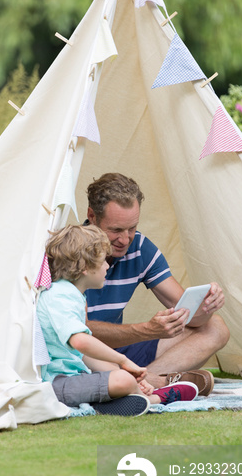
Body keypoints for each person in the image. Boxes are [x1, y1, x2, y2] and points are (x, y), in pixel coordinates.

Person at [84, 173, 230, 394]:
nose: (125, 240)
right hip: (81, 355)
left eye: (132, 228)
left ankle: (144, 382)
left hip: (119, 354)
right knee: (83, 350)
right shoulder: (71, 250)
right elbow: (78, 332)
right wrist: (145, 331)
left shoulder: (140, 247)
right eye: (115, 230)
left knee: (215, 327)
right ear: (92, 216)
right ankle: (144, 382)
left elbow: (188, 316)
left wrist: (205, 305)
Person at [37, 224, 199, 417]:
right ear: (85, 268)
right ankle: (156, 399)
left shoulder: (72, 294)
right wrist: (122, 360)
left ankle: (120, 399)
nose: (107, 266)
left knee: (124, 378)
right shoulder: (61, 295)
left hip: (73, 379)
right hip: (56, 384)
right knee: (123, 381)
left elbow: (84, 355)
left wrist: (127, 372)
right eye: (103, 260)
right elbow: (80, 341)